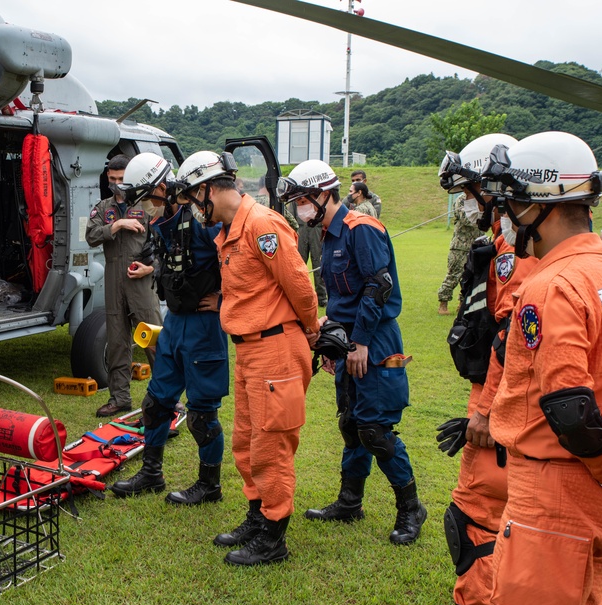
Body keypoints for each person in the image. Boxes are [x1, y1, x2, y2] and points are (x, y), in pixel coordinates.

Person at [477, 132, 602, 605]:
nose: (505, 216)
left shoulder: (550, 285)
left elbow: (569, 406)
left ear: (536, 202)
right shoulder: (599, 268)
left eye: (509, 203)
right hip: (587, 490)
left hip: (556, 489)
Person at [406, 133, 533, 605]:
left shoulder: (516, 255)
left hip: (508, 411)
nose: (470, 205)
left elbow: (514, 341)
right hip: (510, 406)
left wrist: (487, 411)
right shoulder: (513, 247)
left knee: (475, 519)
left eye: (473, 193)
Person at [175, 151, 320, 566]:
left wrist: (310, 328)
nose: (191, 206)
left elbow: (300, 288)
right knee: (246, 441)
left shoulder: (262, 224)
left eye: (191, 197)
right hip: (248, 349)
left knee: (270, 444)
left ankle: (273, 537)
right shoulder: (229, 231)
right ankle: (257, 517)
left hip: (275, 346)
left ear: (207, 189)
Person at [278, 159, 427, 546]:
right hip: (348, 340)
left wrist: (359, 342)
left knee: (375, 429)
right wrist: (333, 342)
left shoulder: (362, 228)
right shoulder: (327, 235)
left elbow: (378, 286)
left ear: (324, 194)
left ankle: (411, 509)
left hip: (374, 340)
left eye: (301, 200)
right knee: (351, 424)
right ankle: (350, 502)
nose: (298, 209)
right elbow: (343, 297)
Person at [110, 153, 229, 509]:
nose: (144, 206)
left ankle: (209, 485)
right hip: (173, 322)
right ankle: (151, 473)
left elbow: (238, 264)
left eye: (147, 197)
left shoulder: (205, 222)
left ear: (163, 187)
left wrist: (225, 298)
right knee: (155, 403)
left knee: (201, 415)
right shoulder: (162, 223)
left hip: (204, 326)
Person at [86, 154, 163, 418]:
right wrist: (116, 224)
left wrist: (151, 268)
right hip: (113, 280)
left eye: (122, 179)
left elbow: (168, 246)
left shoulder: (149, 206)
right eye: (112, 179)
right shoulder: (103, 207)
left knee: (153, 339)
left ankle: (166, 398)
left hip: (140, 281)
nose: (117, 184)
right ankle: (120, 398)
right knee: (117, 342)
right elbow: (91, 236)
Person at [437, 189, 483, 316]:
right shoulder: (461, 200)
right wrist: (482, 216)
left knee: (472, 276)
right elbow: (467, 219)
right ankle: (443, 303)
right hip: (460, 246)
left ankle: (463, 304)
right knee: (454, 275)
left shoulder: (481, 199)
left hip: (477, 245)